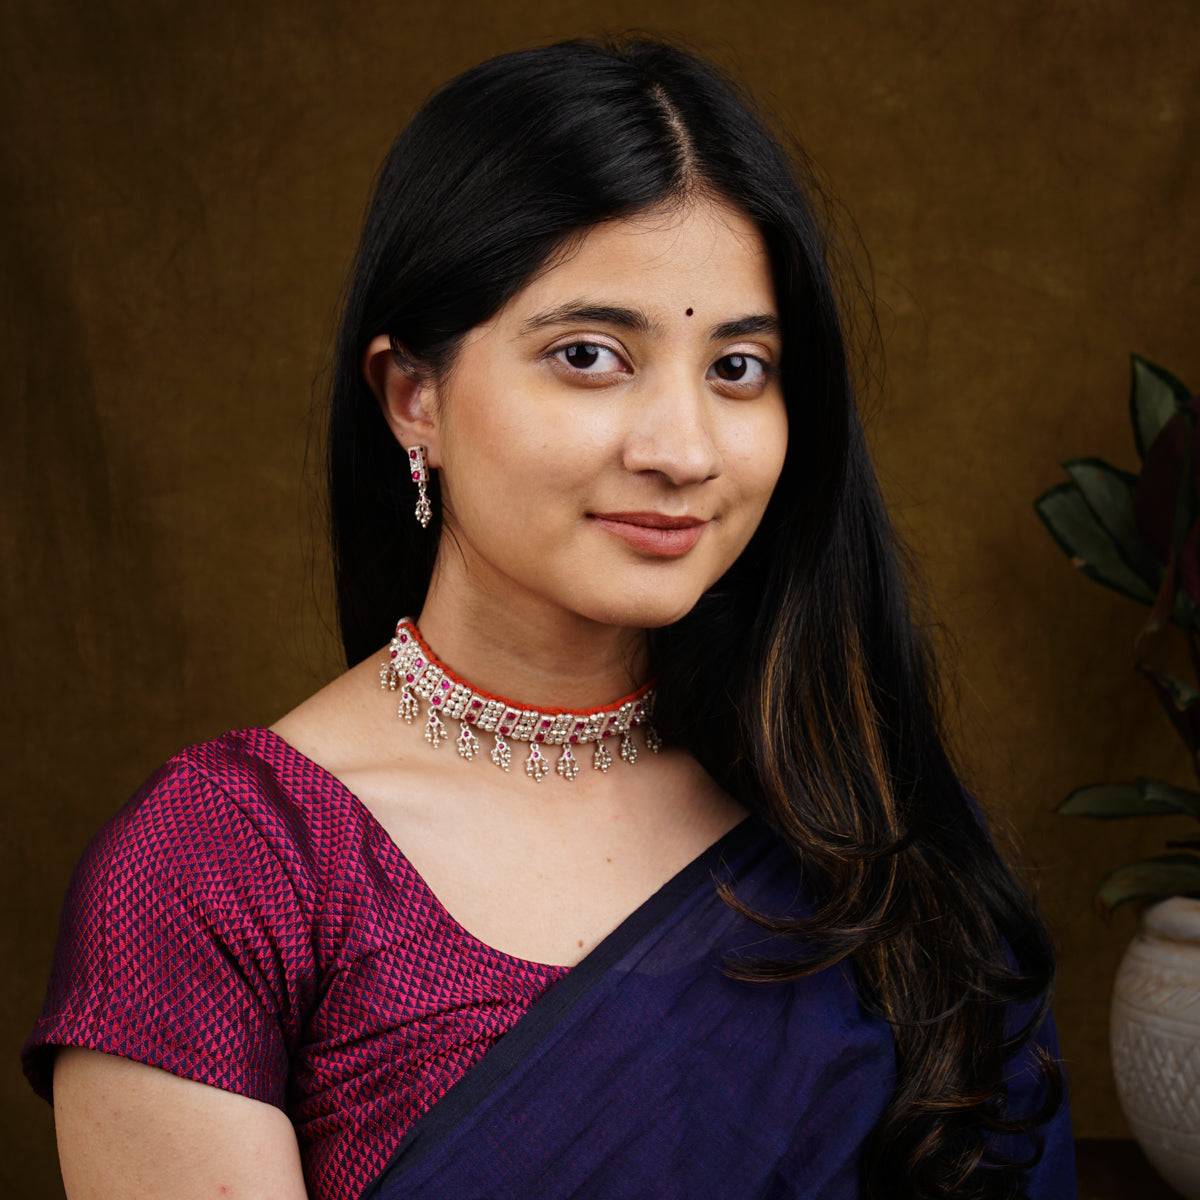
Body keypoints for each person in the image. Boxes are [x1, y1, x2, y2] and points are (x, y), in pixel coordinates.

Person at [19, 32, 1075, 1200]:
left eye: (738, 370)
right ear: (412, 395)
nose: (681, 451)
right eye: (589, 355)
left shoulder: (876, 831)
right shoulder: (225, 873)